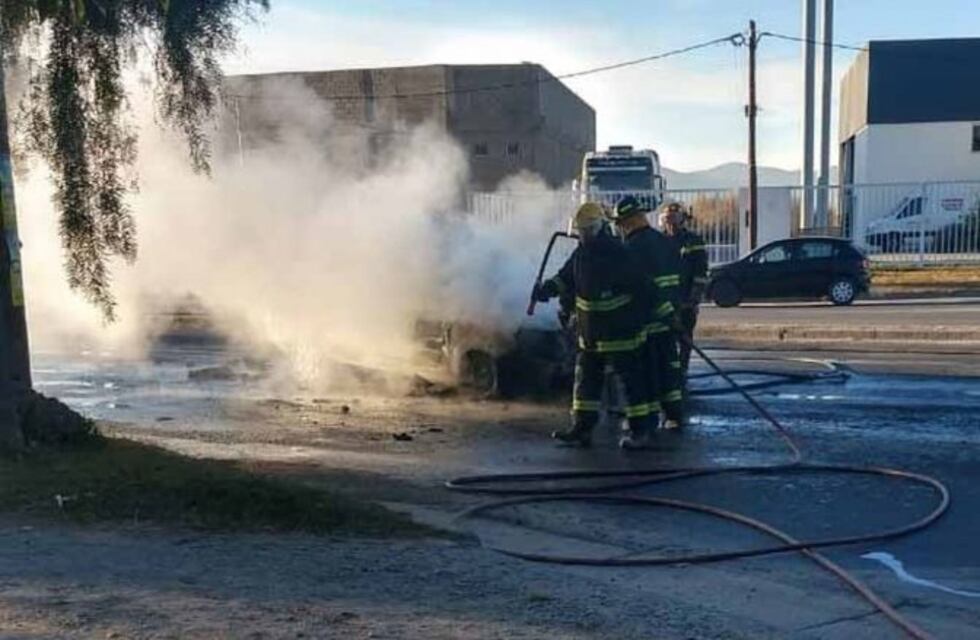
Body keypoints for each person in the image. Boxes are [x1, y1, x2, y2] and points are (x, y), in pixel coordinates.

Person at [533, 201, 656, 449]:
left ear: (599, 227)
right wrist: (546, 290)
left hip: (620, 333)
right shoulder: (581, 253)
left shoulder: (618, 253)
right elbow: (565, 278)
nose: (584, 235)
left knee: (631, 385)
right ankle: (582, 429)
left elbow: (643, 288)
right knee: (585, 384)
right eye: (581, 231)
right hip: (590, 334)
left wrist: (638, 319)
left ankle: (640, 431)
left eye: (587, 230)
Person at [609, 195, 685, 430]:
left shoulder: (631, 249)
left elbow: (637, 288)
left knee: (648, 373)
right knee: (668, 369)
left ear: (630, 221)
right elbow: (678, 280)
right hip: (669, 318)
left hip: (646, 322)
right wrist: (673, 313)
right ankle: (673, 415)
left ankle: (648, 421)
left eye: (621, 223)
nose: (620, 228)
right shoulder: (665, 241)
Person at [659, 201, 708, 384]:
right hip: (665, 302)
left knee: (685, 339)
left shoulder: (693, 241)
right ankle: (668, 374)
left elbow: (700, 272)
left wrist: (693, 299)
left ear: (682, 219)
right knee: (665, 340)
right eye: (667, 218)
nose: (670, 223)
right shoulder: (659, 241)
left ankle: (682, 372)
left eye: (674, 218)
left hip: (686, 300)